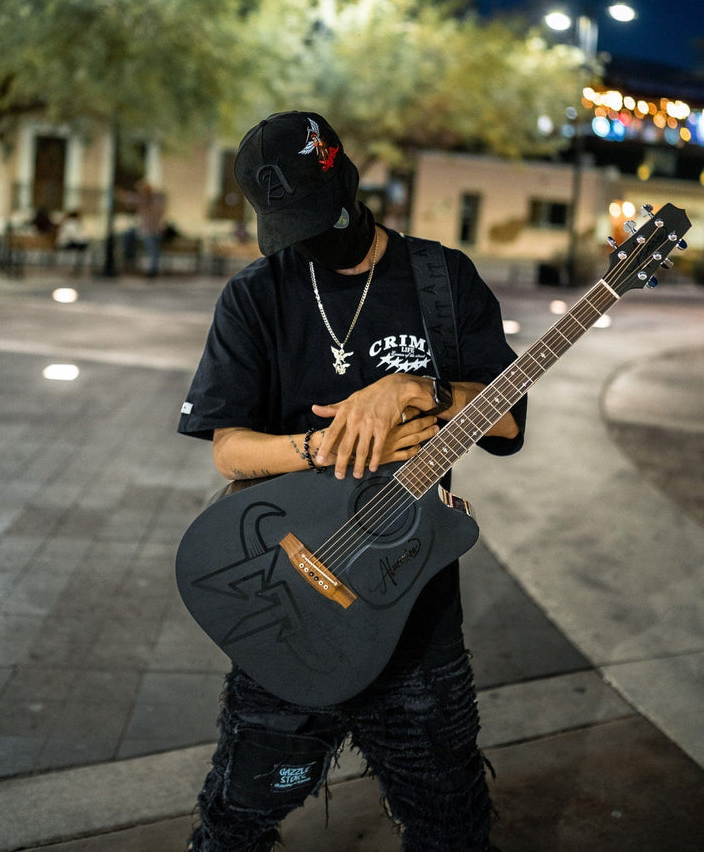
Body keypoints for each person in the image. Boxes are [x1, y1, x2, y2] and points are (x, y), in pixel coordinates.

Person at [178, 111, 527, 852]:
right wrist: (322, 446)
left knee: (451, 828)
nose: (309, 237)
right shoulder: (256, 294)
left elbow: (504, 421)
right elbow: (230, 451)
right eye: (290, 224)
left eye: (317, 215)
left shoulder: (442, 278)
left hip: (414, 619)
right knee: (237, 821)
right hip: (289, 604)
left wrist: (415, 387)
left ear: (347, 179)